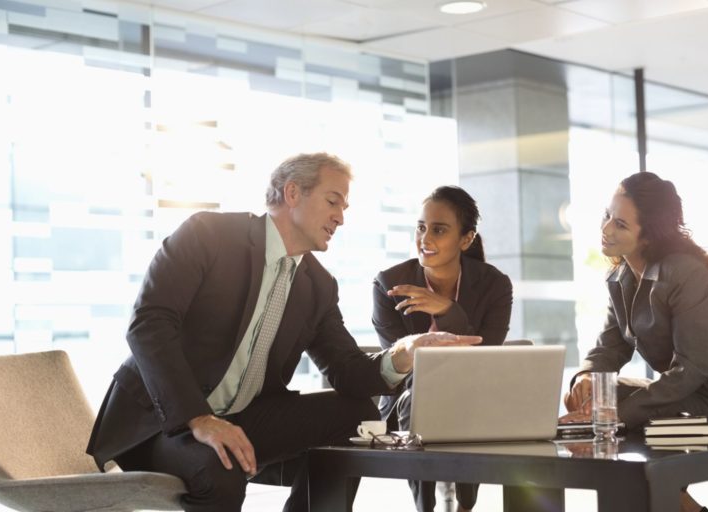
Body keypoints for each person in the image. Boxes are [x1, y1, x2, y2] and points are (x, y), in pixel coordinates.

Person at [85, 153, 482, 512]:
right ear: (293, 193)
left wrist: (404, 353)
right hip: (159, 422)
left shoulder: (317, 285)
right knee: (218, 464)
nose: (341, 217)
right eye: (332, 201)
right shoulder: (208, 234)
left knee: (356, 415)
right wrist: (198, 417)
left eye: (344, 206)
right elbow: (149, 324)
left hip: (242, 418)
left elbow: (348, 371)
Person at [561, 171, 708, 512]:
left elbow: (691, 369)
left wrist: (615, 414)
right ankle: (671, 499)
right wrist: (588, 379)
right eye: (607, 216)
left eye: (620, 224)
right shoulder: (621, 277)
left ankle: (663, 496)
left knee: (615, 411)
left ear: (649, 235)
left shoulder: (685, 273)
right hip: (693, 395)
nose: (606, 229)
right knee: (598, 396)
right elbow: (610, 347)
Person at [372, 185, 513, 512]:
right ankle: (426, 507)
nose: (425, 238)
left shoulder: (494, 285)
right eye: (421, 227)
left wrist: (447, 309)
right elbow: (399, 363)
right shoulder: (389, 284)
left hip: (475, 392)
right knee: (422, 392)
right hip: (409, 395)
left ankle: (466, 504)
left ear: (466, 239)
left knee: (469, 393)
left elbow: (485, 354)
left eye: (438, 230)